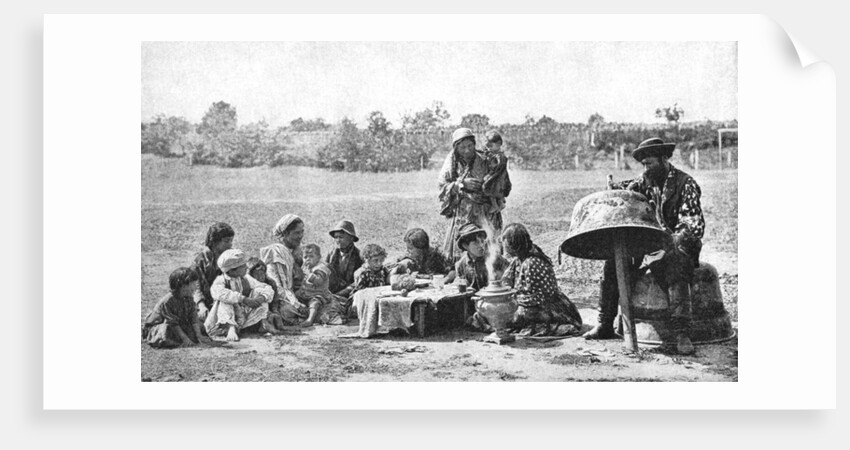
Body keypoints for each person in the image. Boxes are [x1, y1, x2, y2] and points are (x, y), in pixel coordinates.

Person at [583, 137, 705, 355]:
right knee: (614, 261)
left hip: (677, 244)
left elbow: (693, 226)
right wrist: (612, 190)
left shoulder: (685, 184)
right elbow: (626, 190)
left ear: (664, 159)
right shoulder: (644, 181)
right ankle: (605, 322)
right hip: (650, 243)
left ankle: (681, 332)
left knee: (676, 265)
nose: (646, 168)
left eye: (650, 163)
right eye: (644, 164)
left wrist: (668, 245)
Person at [470, 223, 583, 337]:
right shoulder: (518, 260)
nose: (504, 245)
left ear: (515, 243)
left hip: (549, 308)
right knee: (493, 312)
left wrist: (513, 301)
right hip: (527, 304)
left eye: (506, 242)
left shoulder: (532, 262)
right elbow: (505, 283)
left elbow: (539, 298)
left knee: (508, 316)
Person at [438, 128, 512, 262]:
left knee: (488, 247)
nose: (467, 150)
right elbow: (443, 186)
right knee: (466, 245)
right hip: (464, 214)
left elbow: (501, 182)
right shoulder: (452, 164)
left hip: (486, 212)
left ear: (474, 144)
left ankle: (491, 271)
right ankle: (464, 270)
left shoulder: (485, 159)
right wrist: (461, 184)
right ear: (456, 148)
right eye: (462, 147)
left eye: (470, 146)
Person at [204, 249, 276, 342]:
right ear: (232, 270)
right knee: (225, 301)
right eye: (242, 266)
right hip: (226, 317)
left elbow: (266, 288)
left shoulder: (245, 278)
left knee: (259, 291)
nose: (246, 268)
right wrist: (243, 299)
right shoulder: (220, 280)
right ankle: (231, 328)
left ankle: (263, 323)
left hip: (243, 314)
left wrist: (261, 298)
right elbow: (219, 293)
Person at [142, 267, 211, 349]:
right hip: (164, 325)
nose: (195, 288)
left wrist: (199, 335)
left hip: (179, 324)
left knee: (199, 325)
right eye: (193, 284)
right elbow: (173, 323)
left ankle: (182, 339)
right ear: (183, 286)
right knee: (166, 330)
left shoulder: (189, 298)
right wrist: (185, 339)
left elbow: (193, 317)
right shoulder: (168, 301)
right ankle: (176, 340)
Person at [260, 214, 309, 325]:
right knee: (287, 311)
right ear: (285, 234)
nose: (301, 236)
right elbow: (280, 287)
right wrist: (298, 304)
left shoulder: (297, 250)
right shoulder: (276, 252)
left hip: (296, 294)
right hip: (281, 297)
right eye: (297, 233)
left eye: (302, 232)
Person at [296, 244, 348, 327]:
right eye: (305, 257)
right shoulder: (305, 267)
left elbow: (319, 281)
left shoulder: (321, 268)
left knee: (314, 303)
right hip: (306, 293)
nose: (308, 259)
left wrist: (310, 275)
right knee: (296, 296)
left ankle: (310, 319)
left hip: (319, 294)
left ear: (319, 257)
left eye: (311, 257)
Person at [192, 222, 235, 321]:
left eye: (231, 241)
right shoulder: (201, 261)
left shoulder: (230, 257)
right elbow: (195, 286)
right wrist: (201, 305)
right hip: (204, 302)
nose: (230, 244)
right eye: (226, 241)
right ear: (215, 242)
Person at [454, 222, 509, 291]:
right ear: (465, 245)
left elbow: (510, 275)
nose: (481, 245)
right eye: (476, 243)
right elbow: (459, 285)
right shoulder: (461, 265)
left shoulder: (494, 258)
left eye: (482, 241)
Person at [247, 256, 289, 329]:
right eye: (257, 275)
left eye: (262, 274)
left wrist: (275, 311)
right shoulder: (248, 284)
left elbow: (275, 300)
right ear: (251, 275)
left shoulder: (270, 282)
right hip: (253, 309)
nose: (261, 277)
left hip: (268, 308)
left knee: (278, 316)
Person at [325, 220, 364, 298]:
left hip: (350, 293)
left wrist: (339, 294)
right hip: (331, 292)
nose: (338, 240)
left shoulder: (359, 256)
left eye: (341, 237)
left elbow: (359, 281)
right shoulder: (331, 254)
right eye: (336, 237)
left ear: (351, 238)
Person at [481, 130, 512, 215]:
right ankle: (500, 202)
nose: (489, 148)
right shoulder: (494, 154)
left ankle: (495, 205)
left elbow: (497, 168)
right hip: (498, 177)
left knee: (489, 189)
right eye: (488, 146)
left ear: (498, 144)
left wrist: (489, 175)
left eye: (491, 146)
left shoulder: (500, 156)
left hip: (497, 178)